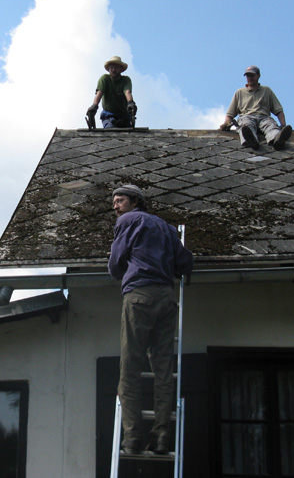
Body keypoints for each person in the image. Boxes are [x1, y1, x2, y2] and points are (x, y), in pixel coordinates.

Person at [108, 184, 194, 455]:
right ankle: (161, 436)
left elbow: (116, 264)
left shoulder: (128, 221)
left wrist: (123, 270)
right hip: (166, 298)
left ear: (135, 201)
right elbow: (185, 263)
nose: (115, 206)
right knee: (163, 369)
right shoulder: (166, 228)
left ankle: (132, 437)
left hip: (139, 296)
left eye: (120, 200)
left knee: (130, 367)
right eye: (114, 202)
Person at [220, 65, 292, 151]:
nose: (250, 78)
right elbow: (230, 114)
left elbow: (278, 110)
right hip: (247, 117)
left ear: (258, 76)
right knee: (246, 126)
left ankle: (277, 139)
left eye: (252, 75)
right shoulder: (240, 92)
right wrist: (226, 124)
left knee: (271, 126)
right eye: (248, 76)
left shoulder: (266, 90)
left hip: (264, 117)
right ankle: (251, 140)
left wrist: (283, 125)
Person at [87, 56, 137, 129]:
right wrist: (94, 106)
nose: (113, 70)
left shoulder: (125, 80)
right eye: (111, 68)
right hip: (108, 115)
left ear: (120, 69)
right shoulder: (105, 79)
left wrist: (130, 103)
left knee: (126, 132)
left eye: (116, 68)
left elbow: (127, 92)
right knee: (110, 130)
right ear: (108, 69)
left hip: (124, 116)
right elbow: (99, 93)